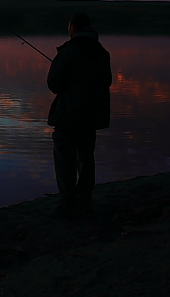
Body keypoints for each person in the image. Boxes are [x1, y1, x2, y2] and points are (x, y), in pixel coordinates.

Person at [47, 12, 112, 216]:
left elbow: (53, 84)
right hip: (92, 115)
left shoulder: (68, 52)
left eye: (69, 28)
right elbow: (107, 82)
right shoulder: (103, 53)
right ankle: (85, 197)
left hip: (68, 115)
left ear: (73, 28)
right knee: (86, 156)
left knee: (64, 157)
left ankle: (67, 200)